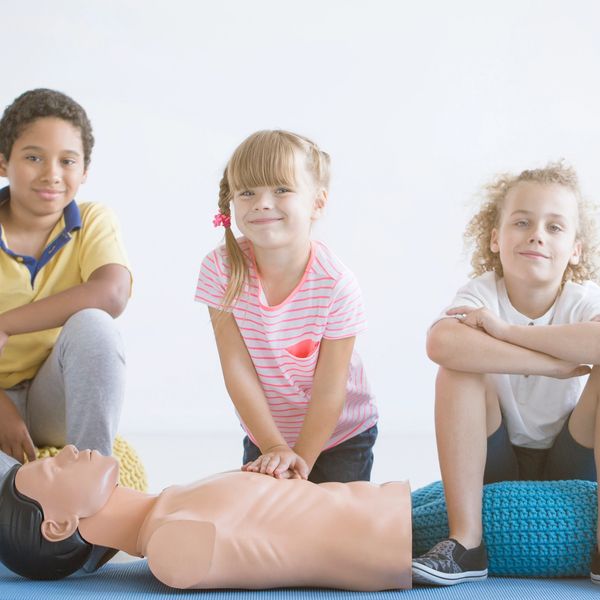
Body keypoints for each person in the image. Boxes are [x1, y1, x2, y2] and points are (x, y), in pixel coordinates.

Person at [412, 161, 600, 586]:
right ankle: (467, 544)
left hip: (572, 457)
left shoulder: (582, 299)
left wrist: (507, 332)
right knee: (456, 369)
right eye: (522, 222)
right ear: (495, 239)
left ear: (576, 250)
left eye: (555, 227)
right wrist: (549, 366)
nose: (537, 233)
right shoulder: (482, 292)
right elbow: (440, 343)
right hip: (497, 455)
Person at [195, 130, 377, 483]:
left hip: (342, 434)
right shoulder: (220, 270)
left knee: (333, 531)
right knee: (267, 530)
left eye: (281, 189)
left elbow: (330, 389)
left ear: (317, 203)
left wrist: (300, 463)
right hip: (267, 432)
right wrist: (275, 448)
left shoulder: (336, 284)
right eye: (248, 192)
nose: (263, 203)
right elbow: (237, 369)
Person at [0, 445, 412, 590]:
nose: (69, 449)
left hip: (400, 505)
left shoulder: (170, 507)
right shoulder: (171, 548)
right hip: (413, 545)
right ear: (57, 526)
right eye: (54, 467)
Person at [0, 89, 131, 484]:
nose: (52, 173)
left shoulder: (92, 220)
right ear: (3, 162)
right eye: (33, 157)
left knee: (95, 324)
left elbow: (112, 292)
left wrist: (4, 323)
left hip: (49, 399)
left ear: (85, 171)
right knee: (16, 492)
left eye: (67, 161)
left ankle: (90, 479)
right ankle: (19, 492)